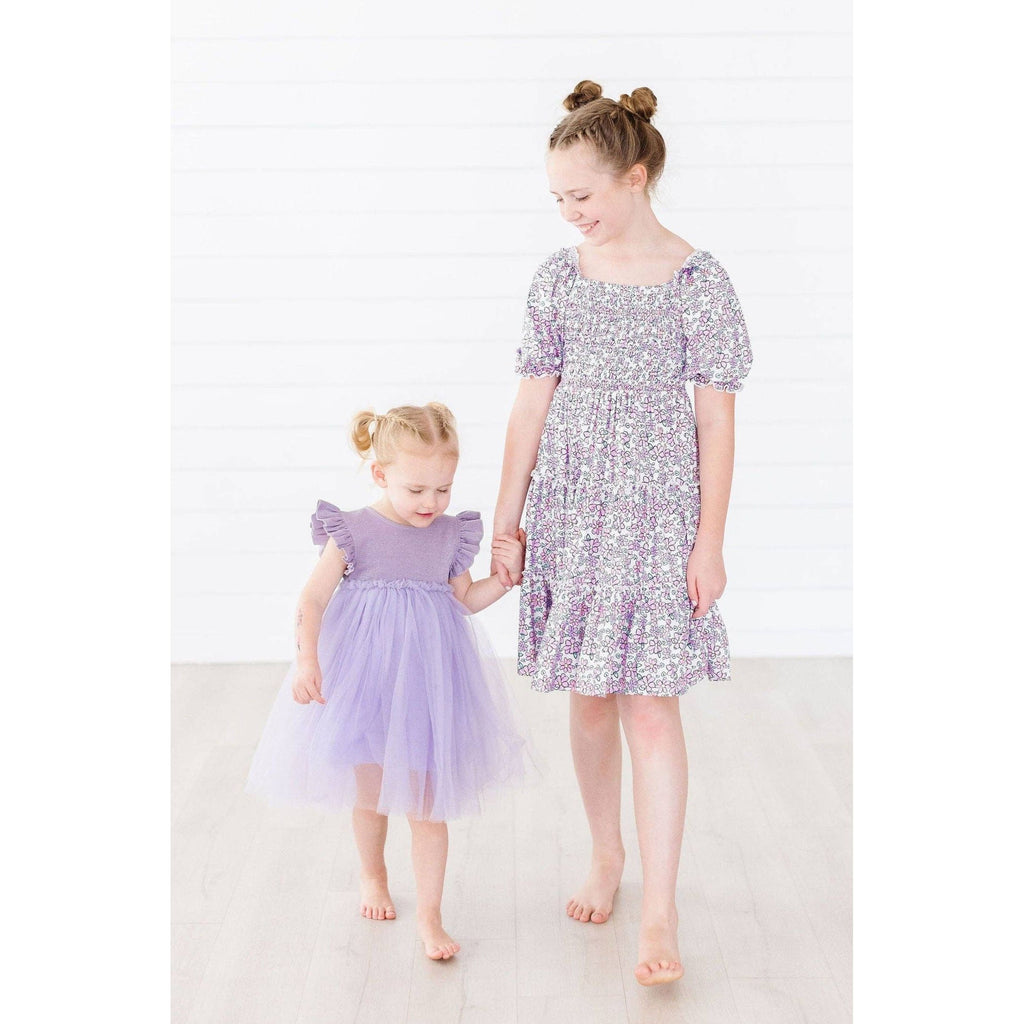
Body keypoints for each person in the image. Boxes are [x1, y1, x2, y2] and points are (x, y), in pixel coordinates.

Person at [492, 80, 753, 986]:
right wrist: (507, 519)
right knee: (591, 696)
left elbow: (715, 422)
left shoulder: (697, 281)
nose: (570, 215)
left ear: (635, 178)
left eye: (584, 197)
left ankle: (662, 904)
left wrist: (708, 542)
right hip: (572, 508)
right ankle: (607, 851)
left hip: (656, 517)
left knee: (651, 703)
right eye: (558, 200)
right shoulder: (560, 278)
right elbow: (531, 403)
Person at [246, 402, 526, 962]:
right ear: (380, 474)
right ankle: (372, 874)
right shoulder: (352, 531)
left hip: (430, 684)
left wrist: (505, 579)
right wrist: (307, 659)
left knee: (429, 803)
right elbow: (313, 598)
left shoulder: (450, 535)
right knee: (370, 792)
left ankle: (431, 915)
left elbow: (465, 600)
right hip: (366, 679)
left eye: (442, 489)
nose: (431, 503)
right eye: (417, 489)